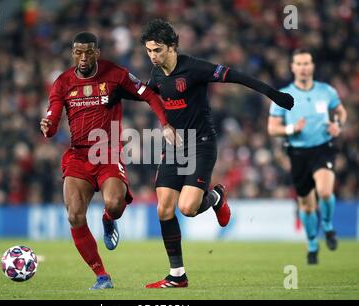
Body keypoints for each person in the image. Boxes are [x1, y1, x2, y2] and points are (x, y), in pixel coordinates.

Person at [114, 19, 294, 288]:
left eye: (158, 50)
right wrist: (114, 94)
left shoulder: (194, 68)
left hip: (201, 143)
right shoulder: (158, 75)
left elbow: (236, 76)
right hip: (174, 146)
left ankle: (216, 196)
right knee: (164, 208)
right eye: (149, 51)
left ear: (172, 47)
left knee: (187, 208)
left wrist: (273, 94)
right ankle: (177, 275)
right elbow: (148, 93)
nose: (152, 56)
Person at [40, 31, 178, 290]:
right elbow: (52, 123)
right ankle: (102, 276)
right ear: (73, 54)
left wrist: (165, 123)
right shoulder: (62, 83)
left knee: (115, 204)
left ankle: (107, 218)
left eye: (88, 52)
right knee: (74, 215)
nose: (83, 57)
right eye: (78, 52)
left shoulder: (115, 75)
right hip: (78, 156)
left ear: (97, 53)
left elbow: (148, 94)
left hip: (107, 153)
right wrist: (47, 126)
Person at [268, 48, 347, 265]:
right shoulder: (283, 95)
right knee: (306, 205)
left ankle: (329, 226)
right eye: (299, 64)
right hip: (298, 152)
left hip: (322, 148)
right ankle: (312, 243)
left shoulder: (326, 91)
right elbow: (273, 128)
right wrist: (292, 128)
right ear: (292, 67)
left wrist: (337, 125)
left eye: (307, 63)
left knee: (324, 190)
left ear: (312, 66)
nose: (303, 68)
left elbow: (341, 112)